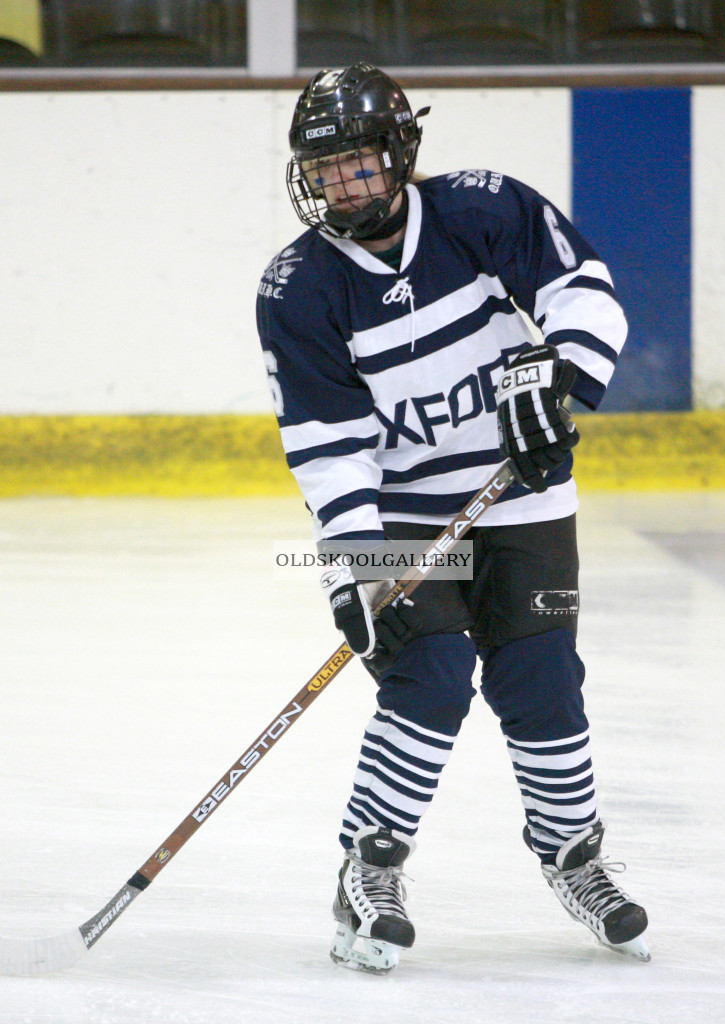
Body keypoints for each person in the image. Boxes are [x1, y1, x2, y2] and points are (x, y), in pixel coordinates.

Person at [256, 62, 649, 973]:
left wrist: (561, 377)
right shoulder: (298, 286)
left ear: (400, 153)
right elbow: (328, 438)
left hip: (525, 501)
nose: (341, 184)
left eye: (358, 163)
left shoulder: (482, 211)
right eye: (325, 170)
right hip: (403, 516)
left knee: (543, 681)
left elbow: (579, 285)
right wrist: (355, 554)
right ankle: (370, 862)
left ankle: (570, 853)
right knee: (429, 676)